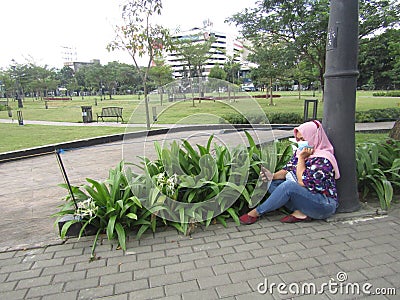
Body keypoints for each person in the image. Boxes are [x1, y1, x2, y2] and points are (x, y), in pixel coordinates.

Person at [239, 120, 340, 224]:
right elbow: (288, 169)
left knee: (288, 186)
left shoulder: (323, 159)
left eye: (303, 139)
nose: (301, 142)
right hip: (306, 197)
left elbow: (302, 182)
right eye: (299, 139)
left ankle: (256, 212)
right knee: (271, 183)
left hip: (323, 204)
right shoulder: (301, 152)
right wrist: (271, 176)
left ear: (314, 137)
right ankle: (301, 212)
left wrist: (301, 159)